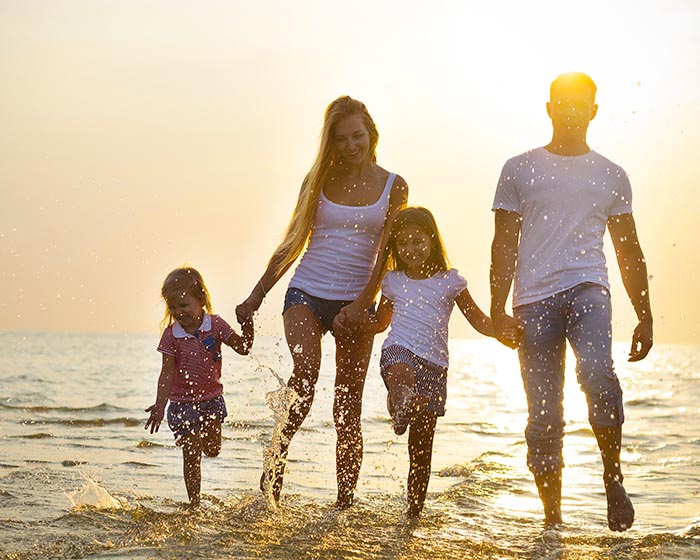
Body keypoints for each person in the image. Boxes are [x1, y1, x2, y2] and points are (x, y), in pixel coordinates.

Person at [489, 72, 653, 530]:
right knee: (544, 416)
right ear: (548, 107)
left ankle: (612, 478)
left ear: (594, 111)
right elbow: (503, 243)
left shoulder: (611, 174)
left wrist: (645, 315)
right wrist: (497, 308)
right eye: (562, 102)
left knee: (598, 373)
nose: (570, 110)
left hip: (588, 289)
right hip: (533, 300)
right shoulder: (518, 168)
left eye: (580, 103)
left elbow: (628, 249)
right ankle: (553, 523)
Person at [236, 96, 408, 508]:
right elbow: (293, 243)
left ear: (371, 133)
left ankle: (343, 505)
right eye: (342, 139)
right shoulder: (317, 181)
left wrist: (370, 304)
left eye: (358, 136)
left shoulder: (394, 185)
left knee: (347, 408)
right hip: (306, 293)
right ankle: (274, 463)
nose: (352, 145)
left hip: (358, 300)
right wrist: (255, 296)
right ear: (331, 142)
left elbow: (388, 252)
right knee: (306, 375)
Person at [369, 206, 514, 518]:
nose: (411, 249)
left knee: (420, 451)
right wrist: (356, 321)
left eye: (418, 241)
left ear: (432, 241)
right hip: (400, 349)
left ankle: (414, 513)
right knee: (400, 372)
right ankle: (403, 402)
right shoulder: (393, 281)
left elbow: (479, 321)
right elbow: (382, 323)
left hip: (434, 367)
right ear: (396, 248)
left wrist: (505, 333)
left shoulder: (450, 281)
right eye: (404, 244)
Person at [145, 266, 254, 506]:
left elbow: (243, 347)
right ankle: (194, 503)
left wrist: (248, 324)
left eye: (183, 306)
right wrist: (160, 406)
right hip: (182, 404)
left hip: (212, 400)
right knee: (191, 455)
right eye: (172, 308)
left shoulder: (215, 325)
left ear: (201, 299)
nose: (178, 312)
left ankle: (198, 441)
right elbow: (167, 373)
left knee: (212, 449)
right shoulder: (171, 335)